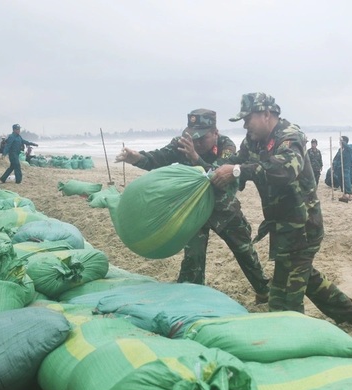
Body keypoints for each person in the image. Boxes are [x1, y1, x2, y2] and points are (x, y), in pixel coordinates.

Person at [211, 92, 352, 325]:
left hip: (303, 226)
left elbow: (285, 170)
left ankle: (292, 335)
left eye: (247, 118)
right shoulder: (252, 141)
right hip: (281, 225)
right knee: (306, 277)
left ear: (266, 114)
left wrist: (236, 171)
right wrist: (207, 169)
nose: (244, 125)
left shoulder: (289, 136)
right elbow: (234, 162)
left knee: (284, 296)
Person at [116, 109, 270, 303]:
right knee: (193, 258)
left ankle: (263, 290)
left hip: (223, 208)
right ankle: (191, 297)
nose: (196, 142)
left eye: (202, 138)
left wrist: (196, 158)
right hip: (193, 209)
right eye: (193, 137)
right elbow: (159, 158)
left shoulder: (226, 146)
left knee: (243, 250)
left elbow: (219, 173)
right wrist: (136, 158)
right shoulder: (183, 144)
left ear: (215, 132)